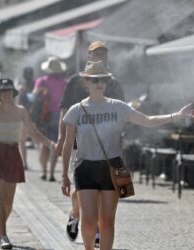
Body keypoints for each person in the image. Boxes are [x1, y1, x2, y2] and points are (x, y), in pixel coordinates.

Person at [61, 61, 194, 250]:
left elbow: (148, 121)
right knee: (88, 222)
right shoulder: (76, 110)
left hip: (113, 166)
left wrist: (177, 115)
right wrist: (64, 175)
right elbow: (68, 143)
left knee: (107, 223)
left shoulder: (119, 107)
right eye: (94, 79)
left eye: (103, 79)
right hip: (84, 167)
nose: (99, 83)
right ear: (85, 82)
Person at [56, 41, 125, 245]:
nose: (100, 57)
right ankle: (75, 214)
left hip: (106, 147)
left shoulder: (113, 82)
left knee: (97, 195)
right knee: (78, 191)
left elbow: (122, 114)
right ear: (88, 56)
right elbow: (64, 110)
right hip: (80, 141)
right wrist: (61, 137)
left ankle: (95, 229)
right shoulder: (76, 81)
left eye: (104, 53)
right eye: (96, 53)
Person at [0, 78, 55, 249]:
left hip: (13, 154)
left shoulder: (21, 111)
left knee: (9, 201)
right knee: (0, 197)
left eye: (9, 90)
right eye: (3, 91)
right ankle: (4, 236)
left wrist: (50, 144)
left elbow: (33, 132)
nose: (6, 93)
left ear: (13, 93)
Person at [32, 57, 67, 181]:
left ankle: (44, 171)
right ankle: (52, 173)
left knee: (44, 144)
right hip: (60, 116)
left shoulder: (41, 81)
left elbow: (34, 96)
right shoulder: (64, 83)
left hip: (44, 116)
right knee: (55, 145)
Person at [17, 67, 35, 170]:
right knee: (37, 140)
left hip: (24, 115)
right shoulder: (37, 84)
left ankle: (25, 163)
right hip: (35, 115)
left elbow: (19, 102)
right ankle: (45, 164)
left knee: (22, 140)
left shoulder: (21, 86)